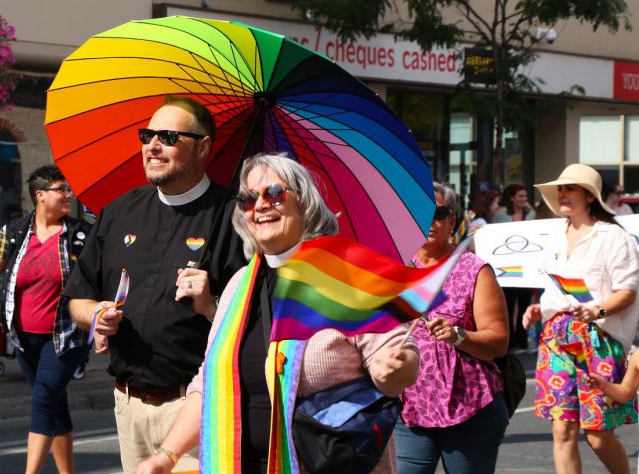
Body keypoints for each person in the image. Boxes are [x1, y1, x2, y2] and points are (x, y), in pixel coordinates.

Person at [136, 153, 420, 474]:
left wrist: (394, 371)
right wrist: (166, 455)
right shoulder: (240, 285)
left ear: (305, 204)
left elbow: (402, 362)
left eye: (273, 193)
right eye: (247, 198)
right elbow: (208, 384)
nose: (259, 206)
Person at [64, 96, 246, 473]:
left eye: (168, 136)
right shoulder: (118, 211)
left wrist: (212, 306)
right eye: (147, 135)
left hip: (197, 408)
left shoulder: (237, 218)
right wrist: (95, 314)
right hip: (128, 406)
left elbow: (259, 324)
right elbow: (77, 298)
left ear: (203, 147)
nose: (153, 146)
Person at [0, 165, 91, 474]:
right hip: (25, 337)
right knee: (54, 404)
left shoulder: (80, 235)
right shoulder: (13, 232)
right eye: (60, 189)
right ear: (40, 195)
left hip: (66, 336)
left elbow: (98, 278)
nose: (68, 195)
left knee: (43, 400)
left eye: (68, 189)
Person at [523, 163, 639, 474]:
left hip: (598, 340)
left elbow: (627, 291)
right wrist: (538, 311)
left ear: (589, 196)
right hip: (556, 339)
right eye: (560, 188)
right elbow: (553, 291)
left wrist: (596, 310)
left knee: (598, 433)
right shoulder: (555, 236)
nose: (562, 194)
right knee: (562, 430)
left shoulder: (615, 237)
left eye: (570, 188)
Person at [395, 182, 510, 474]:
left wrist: (458, 336)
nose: (427, 220)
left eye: (437, 213)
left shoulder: (474, 270)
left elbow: (498, 342)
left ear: (452, 222)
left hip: (469, 408)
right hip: (409, 408)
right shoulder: (395, 270)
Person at [494, 183, 536, 349]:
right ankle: (509, 339)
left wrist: (529, 207)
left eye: (525, 196)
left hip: (527, 266)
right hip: (507, 266)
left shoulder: (531, 214)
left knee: (525, 302)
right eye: (520, 196)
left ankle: (522, 337)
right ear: (511, 198)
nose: (524, 199)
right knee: (509, 303)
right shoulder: (501, 215)